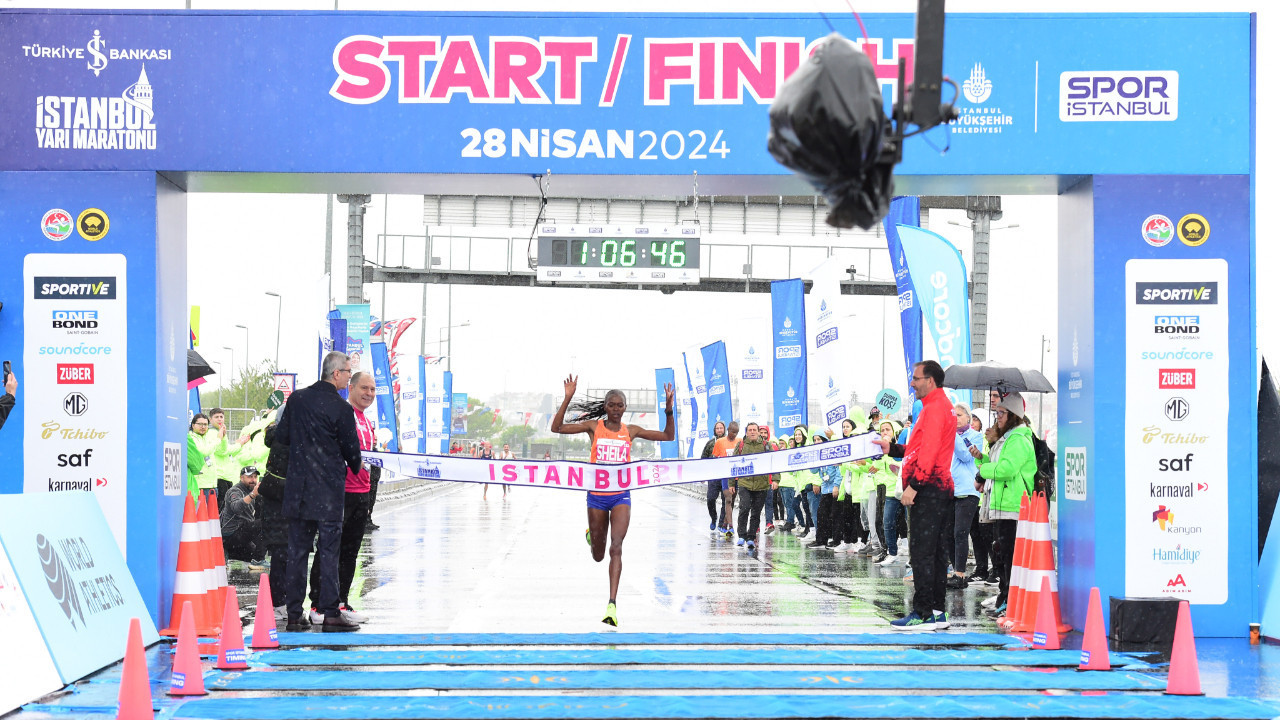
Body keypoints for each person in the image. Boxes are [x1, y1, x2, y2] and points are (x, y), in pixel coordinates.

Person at [551, 375, 675, 627]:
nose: (616, 409)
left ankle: (612, 605)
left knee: (616, 547)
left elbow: (668, 436)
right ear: (606, 407)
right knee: (598, 555)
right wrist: (567, 398)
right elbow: (558, 428)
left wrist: (669, 410)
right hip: (597, 496)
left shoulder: (632, 431)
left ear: (625, 408)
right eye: (612, 405)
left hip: (621, 496)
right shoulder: (594, 427)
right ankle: (592, 535)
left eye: (620, 405)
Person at [276, 351, 363, 632]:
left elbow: (282, 437)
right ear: (336, 373)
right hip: (328, 491)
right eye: (348, 372)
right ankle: (330, 613)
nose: (349, 377)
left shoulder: (297, 399)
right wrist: (357, 463)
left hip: (299, 489)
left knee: (297, 553)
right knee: (328, 552)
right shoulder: (341, 409)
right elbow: (352, 452)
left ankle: (293, 614)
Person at [875, 360, 956, 631]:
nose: (912, 383)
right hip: (939, 487)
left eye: (916, 378)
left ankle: (922, 613)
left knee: (922, 552)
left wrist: (915, 485)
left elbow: (929, 452)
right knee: (936, 553)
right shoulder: (940, 405)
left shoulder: (934, 408)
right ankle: (937, 611)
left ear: (930, 380)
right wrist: (893, 448)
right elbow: (919, 448)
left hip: (930, 488)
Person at [307, 371, 378, 625]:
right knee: (329, 549)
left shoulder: (367, 421)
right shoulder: (341, 414)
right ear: (351, 387)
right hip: (339, 492)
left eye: (373, 389)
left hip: (361, 493)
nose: (369, 393)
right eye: (364, 388)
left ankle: (340, 602)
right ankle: (317, 604)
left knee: (350, 552)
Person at [972, 392, 1036, 615]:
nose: (997, 417)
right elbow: (997, 464)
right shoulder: (1007, 438)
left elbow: (1007, 469)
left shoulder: (1018, 439)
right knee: (1002, 554)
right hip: (1002, 504)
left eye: (1002, 413)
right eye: (996, 413)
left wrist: (984, 470)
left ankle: (1010, 600)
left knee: (1009, 556)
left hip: (1013, 506)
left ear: (1014, 415)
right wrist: (982, 459)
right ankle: (1004, 596)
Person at [946, 404, 985, 589]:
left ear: (968, 418)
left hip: (968, 491)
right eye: (953, 415)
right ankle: (955, 571)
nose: (956, 418)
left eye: (959, 415)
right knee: (948, 534)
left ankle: (960, 574)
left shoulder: (975, 436)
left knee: (961, 532)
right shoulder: (949, 436)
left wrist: (952, 434)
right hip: (950, 490)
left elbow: (965, 455)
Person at [260, 419, 291, 620]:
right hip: (282, 505)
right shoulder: (287, 440)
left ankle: (281, 602)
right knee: (283, 556)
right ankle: (279, 603)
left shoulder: (279, 437)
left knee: (283, 556)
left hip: (277, 505)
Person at [729, 423, 770, 550]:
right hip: (744, 483)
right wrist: (731, 483)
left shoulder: (766, 445)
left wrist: (775, 479)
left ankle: (751, 537)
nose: (752, 432)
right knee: (744, 508)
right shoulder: (741, 445)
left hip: (761, 484)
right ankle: (742, 535)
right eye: (750, 430)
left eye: (754, 430)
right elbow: (733, 464)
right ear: (746, 432)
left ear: (758, 432)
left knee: (756, 512)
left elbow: (773, 462)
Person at [221, 465, 266, 568]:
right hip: (231, 534)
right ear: (242, 478)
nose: (253, 480)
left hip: (242, 535)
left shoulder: (253, 491)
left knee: (253, 555)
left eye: (255, 477)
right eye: (249, 477)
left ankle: (228, 553)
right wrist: (252, 495)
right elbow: (236, 508)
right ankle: (258, 560)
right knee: (266, 523)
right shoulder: (235, 491)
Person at [806, 431, 841, 550]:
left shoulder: (833, 452)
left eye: (819, 439)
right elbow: (813, 471)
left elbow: (839, 471)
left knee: (835, 515)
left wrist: (836, 485)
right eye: (815, 440)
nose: (817, 442)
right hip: (825, 489)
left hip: (834, 488)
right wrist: (813, 458)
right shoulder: (819, 454)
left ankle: (836, 540)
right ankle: (821, 540)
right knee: (821, 515)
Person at [702, 421, 729, 532]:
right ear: (714, 430)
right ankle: (714, 518)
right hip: (713, 476)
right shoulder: (710, 443)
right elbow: (703, 459)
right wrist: (702, 474)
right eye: (717, 428)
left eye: (721, 428)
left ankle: (721, 523)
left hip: (726, 477)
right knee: (710, 499)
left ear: (724, 429)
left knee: (726, 501)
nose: (719, 430)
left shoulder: (729, 442)